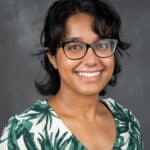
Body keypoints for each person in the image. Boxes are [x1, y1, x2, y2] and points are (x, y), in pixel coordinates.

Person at [0, 0, 144, 149]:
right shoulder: (24, 133)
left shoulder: (127, 123)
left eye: (101, 45)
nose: (91, 60)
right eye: (75, 47)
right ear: (52, 58)